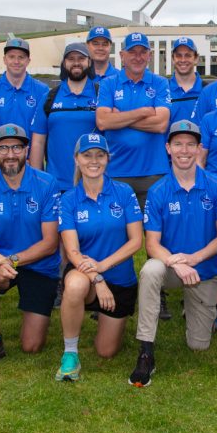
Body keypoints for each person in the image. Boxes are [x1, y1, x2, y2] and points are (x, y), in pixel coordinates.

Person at [128, 120, 217, 387]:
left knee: (199, 345)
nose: (184, 150)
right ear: (168, 148)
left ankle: (192, 308)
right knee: (151, 269)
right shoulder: (158, 190)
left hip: (204, 270)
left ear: (199, 148)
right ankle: (146, 351)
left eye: (190, 144)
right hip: (173, 268)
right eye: (178, 144)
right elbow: (152, 245)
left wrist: (194, 259)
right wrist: (176, 262)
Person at [0, 124, 61, 366]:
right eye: (3, 148)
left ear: (26, 150)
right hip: (1, 264)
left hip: (39, 266)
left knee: (31, 346)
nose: (10, 154)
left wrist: (11, 261)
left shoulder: (46, 183)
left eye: (17, 147)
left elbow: (50, 243)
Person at [54, 133, 144, 382]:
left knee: (106, 351)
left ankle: (107, 317)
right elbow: (72, 252)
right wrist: (97, 278)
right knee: (74, 285)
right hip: (86, 275)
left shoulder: (124, 192)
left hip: (120, 280)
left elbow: (136, 241)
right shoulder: (68, 199)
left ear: (107, 159)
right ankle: (70, 353)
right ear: (77, 159)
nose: (93, 161)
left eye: (100, 155)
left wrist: (102, 266)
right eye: (87, 155)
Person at [95, 31, 171, 206]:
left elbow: (160, 124)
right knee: (116, 222)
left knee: (154, 223)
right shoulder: (108, 83)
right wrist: (143, 112)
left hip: (154, 171)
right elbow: (103, 122)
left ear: (149, 56)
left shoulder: (160, 83)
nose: (138, 57)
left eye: (143, 52)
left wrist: (118, 117)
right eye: (132, 52)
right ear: (122, 55)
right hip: (116, 171)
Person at [33, 42, 101, 193]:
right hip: (56, 186)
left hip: (95, 185)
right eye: (71, 59)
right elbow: (38, 141)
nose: (76, 63)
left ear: (89, 62)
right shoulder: (49, 97)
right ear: (64, 63)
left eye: (81, 58)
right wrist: (38, 181)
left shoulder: (101, 95)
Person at [0, 37, 49, 176]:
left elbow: (43, 133)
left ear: (28, 60)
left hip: (30, 166)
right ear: (4, 59)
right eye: (11, 57)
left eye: (21, 57)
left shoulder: (42, 91)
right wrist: (1, 158)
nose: (16, 61)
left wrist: (30, 161)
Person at [167, 36, 205, 127]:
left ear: (196, 59)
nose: (183, 60)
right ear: (173, 59)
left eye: (188, 55)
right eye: (178, 56)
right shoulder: (163, 89)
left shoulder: (207, 90)